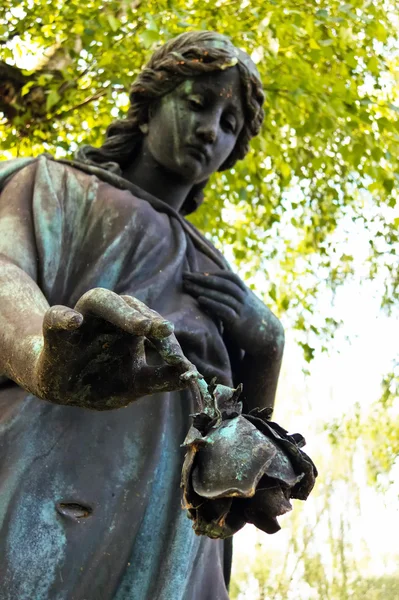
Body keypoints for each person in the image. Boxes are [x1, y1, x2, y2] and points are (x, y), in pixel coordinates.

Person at [0, 31, 284, 599]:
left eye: (230, 124)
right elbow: (4, 269)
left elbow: (237, 442)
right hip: (57, 467)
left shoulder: (217, 273)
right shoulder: (54, 184)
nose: (210, 130)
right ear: (150, 107)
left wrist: (268, 344)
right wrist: (40, 354)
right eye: (197, 103)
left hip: (179, 522)